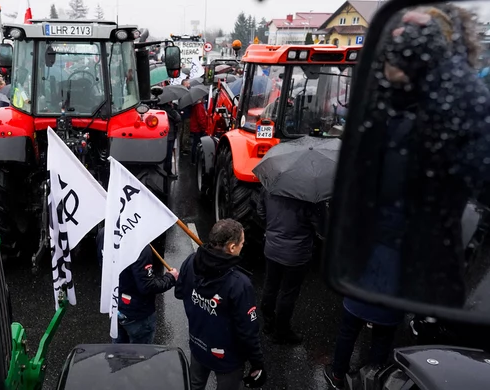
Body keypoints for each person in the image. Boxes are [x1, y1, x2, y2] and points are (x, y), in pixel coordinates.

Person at [325, 5, 490, 388]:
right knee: (361, 327)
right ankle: (352, 372)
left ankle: (372, 376)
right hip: (376, 257)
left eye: (416, 46)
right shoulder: (380, 111)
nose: (401, 52)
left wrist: (442, 74)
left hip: (407, 261)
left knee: (373, 330)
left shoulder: (449, 114)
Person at [175, 219, 265, 390]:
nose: (242, 247)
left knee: (194, 385)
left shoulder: (191, 261)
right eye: (242, 243)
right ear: (232, 247)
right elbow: (248, 332)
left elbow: (179, 293)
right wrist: (257, 363)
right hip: (227, 359)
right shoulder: (239, 283)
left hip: (198, 345)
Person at [257, 189, 325, 344]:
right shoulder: (312, 196)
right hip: (296, 255)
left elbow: (261, 211)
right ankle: (282, 332)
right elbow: (321, 228)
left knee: (270, 286)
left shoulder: (269, 187)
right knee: (288, 293)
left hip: (272, 249)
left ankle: (268, 323)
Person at [95, 227, 179, 344]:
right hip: (138, 314)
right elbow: (147, 286)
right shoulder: (139, 245)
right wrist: (170, 278)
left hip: (115, 307)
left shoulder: (104, 233)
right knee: (140, 359)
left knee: (118, 355)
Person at [162, 102, 182, 179]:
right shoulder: (170, 110)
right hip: (170, 134)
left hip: (162, 134)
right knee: (169, 154)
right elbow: (178, 118)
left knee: (163, 154)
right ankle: (168, 171)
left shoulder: (160, 108)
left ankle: (163, 170)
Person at [189, 97, 208, 165]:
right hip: (198, 128)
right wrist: (204, 128)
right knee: (197, 144)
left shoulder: (195, 105)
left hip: (195, 127)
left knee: (195, 143)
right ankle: (194, 160)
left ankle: (193, 159)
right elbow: (201, 118)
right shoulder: (199, 106)